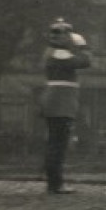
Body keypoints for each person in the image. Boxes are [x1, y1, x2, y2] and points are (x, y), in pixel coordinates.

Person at [42, 17, 92, 193]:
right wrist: (81, 44)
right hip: (61, 102)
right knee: (58, 145)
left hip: (56, 101)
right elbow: (86, 61)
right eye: (67, 35)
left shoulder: (51, 52)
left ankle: (54, 182)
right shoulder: (60, 54)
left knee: (55, 144)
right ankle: (56, 183)